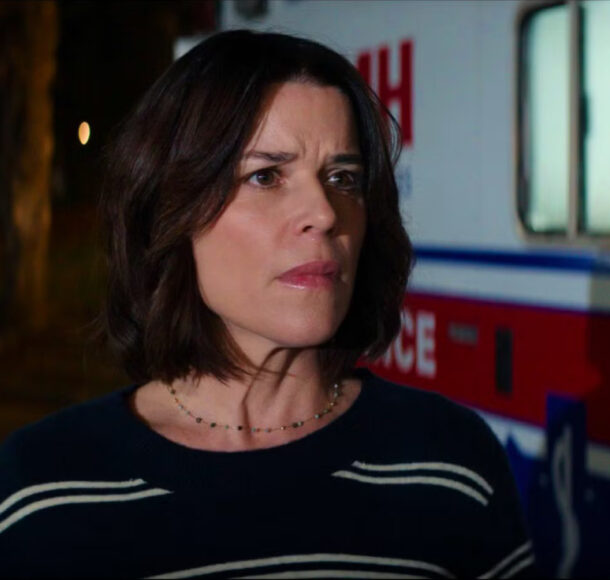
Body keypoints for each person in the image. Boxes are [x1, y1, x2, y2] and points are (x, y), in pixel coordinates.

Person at [0, 30, 536, 578]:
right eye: (265, 176)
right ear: (170, 211)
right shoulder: (41, 493)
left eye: (343, 178)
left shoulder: (451, 463)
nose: (324, 213)